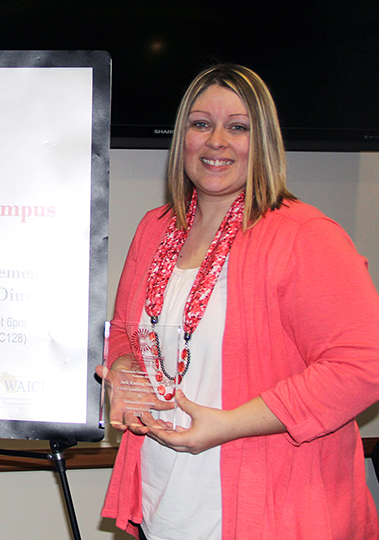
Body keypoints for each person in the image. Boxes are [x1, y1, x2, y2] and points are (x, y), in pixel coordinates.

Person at [98, 64, 379, 539]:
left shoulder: (305, 237)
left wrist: (229, 424)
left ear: (264, 141)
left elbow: (363, 366)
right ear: (182, 136)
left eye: (238, 127)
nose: (217, 142)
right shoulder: (156, 228)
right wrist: (123, 365)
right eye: (201, 123)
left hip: (270, 512)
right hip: (163, 506)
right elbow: (126, 332)